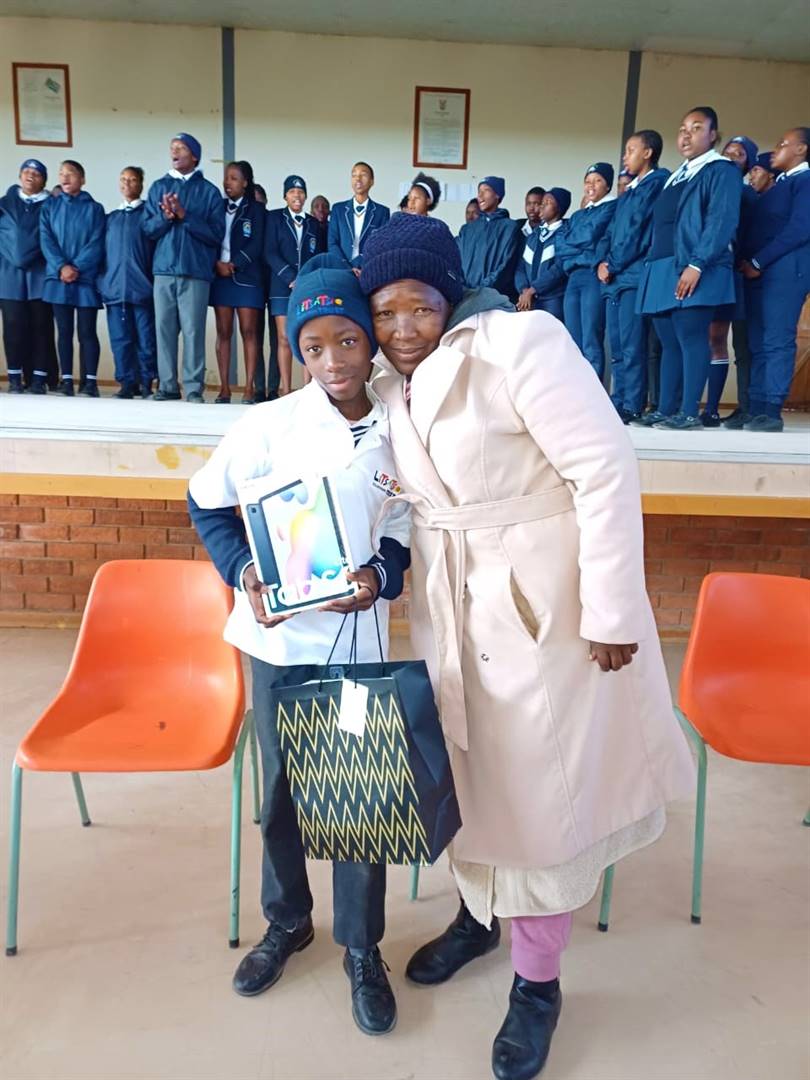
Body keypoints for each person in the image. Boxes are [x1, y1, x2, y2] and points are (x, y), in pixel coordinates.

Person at [358, 214, 694, 1080]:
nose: (403, 328)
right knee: (468, 775)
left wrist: (612, 611)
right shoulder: (388, 383)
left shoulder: (519, 342)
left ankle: (537, 983)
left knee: (543, 796)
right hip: (450, 600)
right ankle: (478, 917)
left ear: (451, 294)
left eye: (419, 306)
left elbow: (604, 467)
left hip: (542, 601)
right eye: (385, 311)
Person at [187, 265, 411, 1038]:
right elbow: (206, 503)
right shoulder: (266, 426)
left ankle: (362, 947)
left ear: (370, 342)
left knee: (359, 792)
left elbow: (402, 528)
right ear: (297, 352)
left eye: (348, 341)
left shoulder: (399, 430)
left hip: (357, 645)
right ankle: (287, 921)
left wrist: (379, 576)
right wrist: (245, 572)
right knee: (281, 790)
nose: (334, 360)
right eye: (314, 347)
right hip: (278, 645)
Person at [636, 107, 742, 429]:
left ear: (713, 135)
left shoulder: (720, 170)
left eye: (696, 128)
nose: (686, 135)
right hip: (662, 265)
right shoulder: (677, 174)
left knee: (691, 336)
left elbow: (721, 220)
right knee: (669, 341)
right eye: (683, 129)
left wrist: (697, 264)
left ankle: (689, 412)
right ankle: (667, 408)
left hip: (695, 264)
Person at [143, 132, 225, 403]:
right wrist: (166, 218)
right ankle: (167, 386)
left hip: (195, 272)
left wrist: (184, 216)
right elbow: (147, 229)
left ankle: (192, 388)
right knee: (163, 330)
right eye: (172, 147)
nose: (174, 152)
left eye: (181, 148)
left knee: (193, 331)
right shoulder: (158, 187)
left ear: (195, 156)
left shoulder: (209, 192)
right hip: (163, 271)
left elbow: (216, 234)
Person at [739, 126, 810, 432]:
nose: (776, 149)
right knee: (757, 341)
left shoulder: (805, 181)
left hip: (785, 270)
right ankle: (755, 406)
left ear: (801, 149)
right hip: (760, 272)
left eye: (783, 144)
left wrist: (758, 260)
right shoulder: (780, 184)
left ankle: (771, 410)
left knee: (776, 339)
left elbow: (800, 228)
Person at [597, 131, 670, 422]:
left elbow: (637, 233)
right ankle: (618, 400)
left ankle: (632, 403)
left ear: (648, 153)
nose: (625, 156)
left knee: (632, 345)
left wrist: (613, 264)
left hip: (632, 277)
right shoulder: (629, 191)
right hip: (614, 279)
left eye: (630, 150)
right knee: (616, 346)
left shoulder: (655, 184)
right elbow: (611, 231)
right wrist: (601, 262)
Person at [702, 135, 759, 426]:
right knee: (693, 338)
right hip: (700, 268)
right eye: (728, 152)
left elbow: (749, 235)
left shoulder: (747, 195)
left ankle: (711, 409)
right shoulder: (707, 185)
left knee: (717, 338)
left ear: (748, 164)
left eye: (739, 154)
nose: (731, 157)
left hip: (727, 273)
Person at [40, 160, 105, 397]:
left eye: (71, 174)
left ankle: (90, 382)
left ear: (82, 179)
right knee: (64, 331)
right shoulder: (50, 207)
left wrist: (76, 267)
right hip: (58, 278)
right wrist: (61, 266)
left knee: (87, 331)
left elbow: (97, 242)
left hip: (85, 278)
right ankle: (66, 380)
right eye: (61, 174)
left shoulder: (95, 208)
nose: (65, 178)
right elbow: (46, 239)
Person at [98, 166, 157, 399]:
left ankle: (146, 382)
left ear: (141, 184)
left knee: (146, 339)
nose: (127, 184)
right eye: (123, 179)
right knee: (120, 340)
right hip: (115, 291)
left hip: (142, 290)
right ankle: (126, 383)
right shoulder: (111, 218)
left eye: (132, 180)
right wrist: (103, 283)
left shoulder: (148, 216)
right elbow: (101, 255)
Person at [209, 160, 266, 405]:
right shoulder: (217, 207)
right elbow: (209, 237)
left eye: (233, 178)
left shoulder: (257, 210)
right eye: (226, 177)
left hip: (247, 278)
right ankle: (224, 388)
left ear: (245, 182)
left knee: (249, 332)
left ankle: (249, 387)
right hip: (219, 276)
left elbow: (257, 243)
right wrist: (216, 263)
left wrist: (234, 263)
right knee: (223, 332)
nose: (227, 182)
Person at [0, 158, 58, 394]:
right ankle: (14, 378)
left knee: (41, 327)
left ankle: (38, 379)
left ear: (44, 180)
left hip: (40, 276)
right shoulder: (5, 203)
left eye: (36, 173)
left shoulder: (52, 205)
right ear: (19, 176)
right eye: (26, 171)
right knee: (13, 327)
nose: (30, 176)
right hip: (9, 277)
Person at [265, 175, 326, 396]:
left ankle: (308, 390)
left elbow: (319, 255)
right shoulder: (274, 218)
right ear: (285, 196)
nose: (297, 196)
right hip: (281, 287)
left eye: (300, 192)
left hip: (306, 287)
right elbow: (269, 252)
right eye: (292, 192)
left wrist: (305, 279)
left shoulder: (313, 223)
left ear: (305, 196)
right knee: (284, 338)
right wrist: (291, 277)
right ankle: (286, 389)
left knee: (306, 336)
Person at [557, 163, 617, 380]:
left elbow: (590, 235)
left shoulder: (611, 207)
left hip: (592, 277)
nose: (591, 186)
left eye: (598, 180)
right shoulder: (578, 215)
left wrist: (575, 249)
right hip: (573, 278)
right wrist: (580, 251)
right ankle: (576, 390)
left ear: (608, 185)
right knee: (573, 340)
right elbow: (560, 245)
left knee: (591, 337)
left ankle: (593, 394)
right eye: (587, 181)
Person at [457, 176, 521, 300]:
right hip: (464, 296)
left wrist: (482, 290)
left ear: (497, 195)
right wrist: (462, 287)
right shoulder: (467, 230)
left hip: (493, 297)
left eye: (485, 190)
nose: (480, 196)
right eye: (479, 191)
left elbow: (506, 266)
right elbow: (456, 260)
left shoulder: (509, 227)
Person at [514, 187, 571, 321]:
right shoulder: (534, 235)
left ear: (559, 208)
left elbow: (559, 269)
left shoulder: (564, 234)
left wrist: (533, 289)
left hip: (552, 299)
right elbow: (520, 267)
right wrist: (524, 290)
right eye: (542, 202)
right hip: (529, 299)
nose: (542, 206)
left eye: (548, 202)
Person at [328, 162, 390, 274]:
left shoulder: (382, 212)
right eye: (354, 175)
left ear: (372, 181)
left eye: (363, 175)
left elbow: (382, 244)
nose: (358, 179)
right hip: (341, 270)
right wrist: (347, 267)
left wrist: (361, 265)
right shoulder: (338, 209)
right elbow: (332, 243)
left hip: (368, 270)